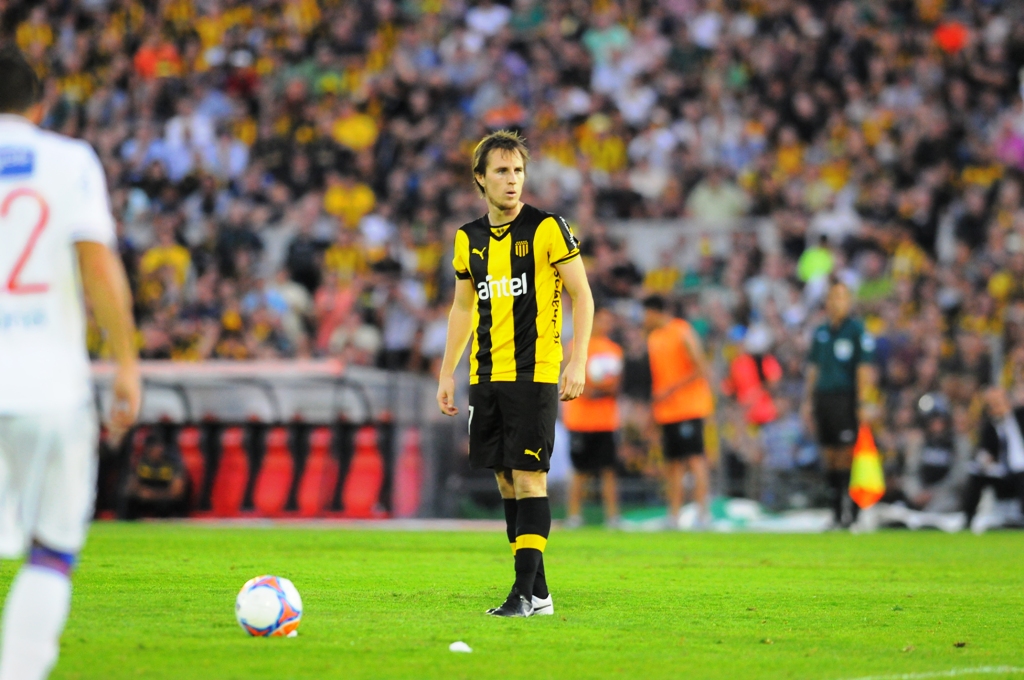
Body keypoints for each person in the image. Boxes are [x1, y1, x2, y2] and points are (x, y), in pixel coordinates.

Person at [0, 48, 140, 680]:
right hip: (50, 388)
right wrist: (126, 363)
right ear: (40, 106)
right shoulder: (69, 161)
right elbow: (98, 267)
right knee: (52, 550)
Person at [436, 130, 594, 617]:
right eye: (502, 171)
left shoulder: (547, 228)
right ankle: (538, 594)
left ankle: (522, 595)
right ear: (480, 178)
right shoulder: (468, 239)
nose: (512, 180)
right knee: (506, 480)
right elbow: (463, 308)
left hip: (534, 371)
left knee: (529, 479)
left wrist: (577, 360)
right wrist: (446, 373)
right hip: (487, 374)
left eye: (518, 171)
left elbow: (582, 296)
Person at [802, 281, 877, 528]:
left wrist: (863, 401)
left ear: (849, 301)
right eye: (833, 297)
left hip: (846, 398)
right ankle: (836, 513)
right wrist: (808, 400)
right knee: (829, 454)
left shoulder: (856, 330)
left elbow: (864, 368)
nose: (837, 302)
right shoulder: (821, 332)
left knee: (847, 453)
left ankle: (852, 513)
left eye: (842, 297)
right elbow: (813, 368)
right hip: (824, 398)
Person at [643, 295, 714, 529]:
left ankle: (703, 515)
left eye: (646, 314)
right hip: (667, 411)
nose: (644, 319)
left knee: (695, 460)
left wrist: (671, 389)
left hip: (689, 408)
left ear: (655, 312)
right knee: (672, 464)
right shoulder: (654, 338)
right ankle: (673, 516)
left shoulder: (681, 331)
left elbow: (700, 367)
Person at [563, 306, 623, 529]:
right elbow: (571, 382)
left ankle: (612, 517)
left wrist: (593, 390)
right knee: (579, 471)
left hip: (606, 421)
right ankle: (574, 516)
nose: (607, 325)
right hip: (580, 420)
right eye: (603, 320)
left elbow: (615, 386)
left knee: (608, 470)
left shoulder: (614, 350)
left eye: (609, 320)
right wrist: (597, 390)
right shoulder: (576, 346)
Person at [962, 386, 1024, 531]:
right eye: (991, 404)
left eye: (998, 402)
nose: (995, 407)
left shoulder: (1020, 418)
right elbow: (984, 450)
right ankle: (967, 520)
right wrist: (985, 459)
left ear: (1008, 402)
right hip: (1005, 473)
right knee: (976, 474)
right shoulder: (990, 426)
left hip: (1022, 470)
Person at [120, 433, 188, 520]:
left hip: (164, 498)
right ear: (147, 449)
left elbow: (177, 491)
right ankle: (126, 523)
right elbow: (131, 485)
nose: (157, 450)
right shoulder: (140, 463)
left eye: (159, 447)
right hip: (145, 497)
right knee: (128, 499)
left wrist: (154, 494)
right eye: (153, 448)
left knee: (170, 504)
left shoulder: (172, 464)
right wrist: (141, 492)